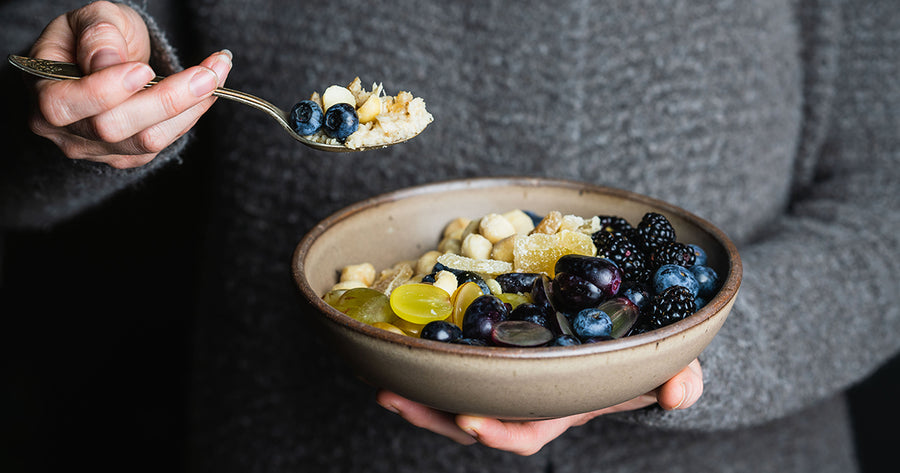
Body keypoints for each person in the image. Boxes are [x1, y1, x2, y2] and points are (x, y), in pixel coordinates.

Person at [1, 0, 897, 471]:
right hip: (296, 436)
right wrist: (84, 108)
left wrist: (689, 337)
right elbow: (25, 110)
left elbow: (885, 208)